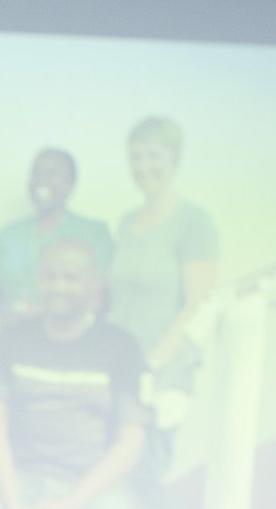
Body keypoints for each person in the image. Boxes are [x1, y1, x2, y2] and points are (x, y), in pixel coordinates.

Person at [0, 236, 150, 509]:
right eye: (50, 276)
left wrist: (70, 506)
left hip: (92, 488)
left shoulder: (122, 347)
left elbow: (130, 442)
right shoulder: (10, 341)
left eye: (70, 278)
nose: (58, 286)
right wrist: (13, 503)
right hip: (18, 480)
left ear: (95, 284)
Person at [108, 115, 219, 414]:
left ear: (175, 158)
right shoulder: (126, 223)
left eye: (153, 156)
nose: (143, 166)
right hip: (120, 368)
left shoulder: (194, 222)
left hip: (163, 376)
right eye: (135, 157)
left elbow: (198, 307)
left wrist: (152, 364)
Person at [0, 147, 114, 332]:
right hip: (9, 338)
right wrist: (2, 339)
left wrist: (40, 318)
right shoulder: (9, 234)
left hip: (70, 339)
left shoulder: (95, 233)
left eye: (52, 174)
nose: (42, 181)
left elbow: (98, 297)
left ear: (71, 183)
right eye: (36, 173)